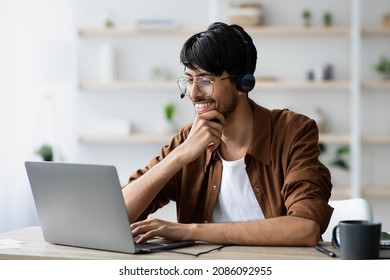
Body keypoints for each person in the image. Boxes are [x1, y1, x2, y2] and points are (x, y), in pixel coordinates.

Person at [121, 22, 333, 247]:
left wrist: (188, 231)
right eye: (189, 80)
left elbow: (304, 228)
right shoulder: (188, 139)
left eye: (205, 81)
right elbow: (117, 214)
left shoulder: (292, 132)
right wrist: (180, 155)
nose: (193, 94)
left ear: (243, 83)